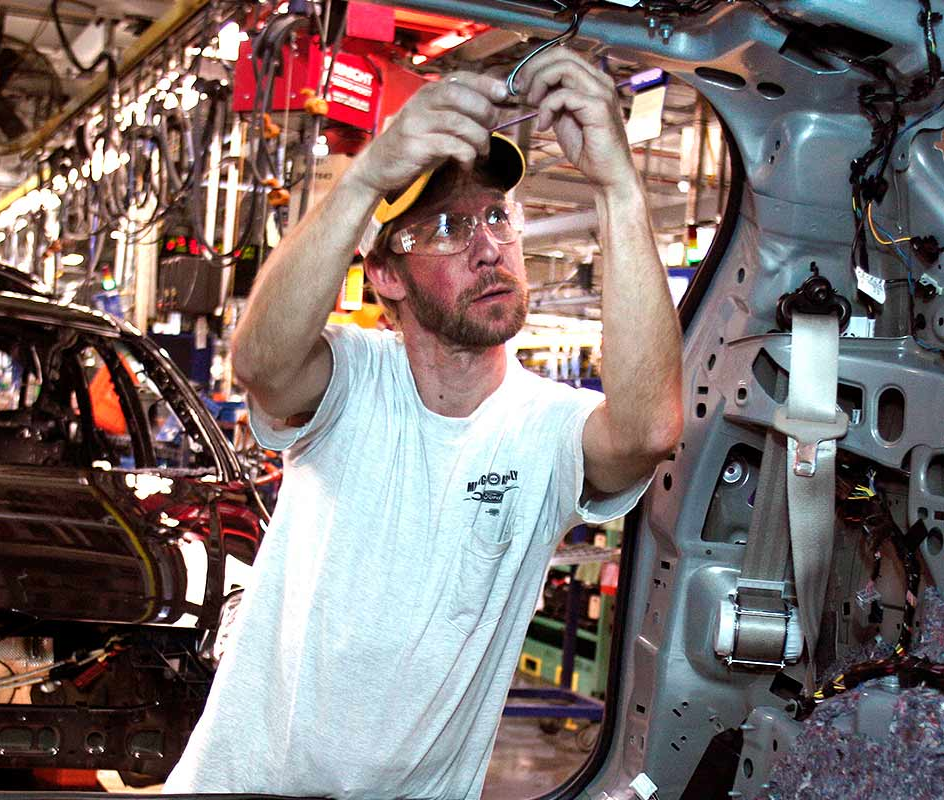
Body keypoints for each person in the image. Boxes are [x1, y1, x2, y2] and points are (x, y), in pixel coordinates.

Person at [164, 48, 683, 799]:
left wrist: (619, 192)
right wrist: (368, 175)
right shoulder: (351, 378)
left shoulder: (546, 428)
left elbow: (645, 433)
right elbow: (264, 363)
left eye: (497, 217)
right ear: (385, 274)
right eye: (445, 227)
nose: (487, 247)